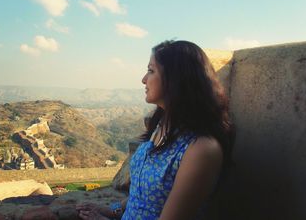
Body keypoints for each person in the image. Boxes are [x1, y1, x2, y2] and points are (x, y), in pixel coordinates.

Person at [77, 40, 234, 219]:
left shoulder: (201, 148)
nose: (144, 79)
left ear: (176, 79)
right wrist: (110, 210)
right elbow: (143, 195)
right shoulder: (162, 125)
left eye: (151, 71)